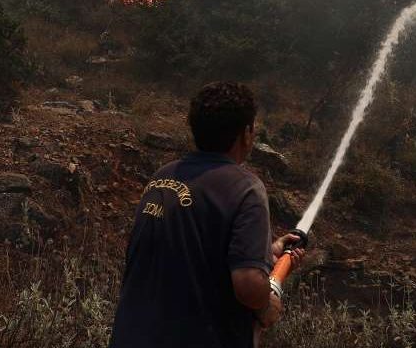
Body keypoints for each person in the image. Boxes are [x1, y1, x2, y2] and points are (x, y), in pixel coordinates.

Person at [109, 81, 306, 348]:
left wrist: (263, 253)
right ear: (246, 133)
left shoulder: (162, 178)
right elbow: (248, 285)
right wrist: (265, 304)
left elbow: (185, 251)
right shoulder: (246, 188)